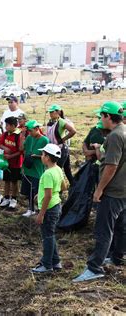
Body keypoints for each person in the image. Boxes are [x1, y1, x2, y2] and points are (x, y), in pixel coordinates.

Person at [73, 101, 125, 282]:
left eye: (101, 116)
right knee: (120, 226)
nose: (100, 120)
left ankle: (94, 267)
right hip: (123, 189)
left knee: (104, 229)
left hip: (113, 191)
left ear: (108, 116)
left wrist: (99, 189)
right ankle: (117, 257)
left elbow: (111, 166)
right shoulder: (124, 131)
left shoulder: (114, 136)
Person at [31, 144, 64, 273]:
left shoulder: (47, 174)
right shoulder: (58, 169)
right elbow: (63, 187)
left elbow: (48, 195)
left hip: (49, 209)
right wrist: (41, 193)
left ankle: (46, 264)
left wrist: (41, 214)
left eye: (43, 154)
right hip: (56, 205)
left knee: (47, 237)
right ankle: (56, 262)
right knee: (50, 235)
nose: (41, 156)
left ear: (48, 158)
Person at [20, 120, 49, 218]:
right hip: (28, 167)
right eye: (28, 131)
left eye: (31, 131)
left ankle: (37, 209)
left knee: (35, 190)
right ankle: (30, 208)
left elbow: (46, 155)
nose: (30, 133)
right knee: (28, 190)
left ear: (37, 129)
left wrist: (36, 156)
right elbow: (21, 149)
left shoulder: (44, 140)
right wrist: (22, 135)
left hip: (37, 168)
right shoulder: (29, 138)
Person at [45, 104, 76, 185]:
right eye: (50, 112)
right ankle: (73, 185)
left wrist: (63, 139)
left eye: (52, 112)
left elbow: (73, 131)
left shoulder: (61, 121)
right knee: (67, 169)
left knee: (58, 169)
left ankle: (60, 188)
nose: (50, 114)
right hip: (53, 149)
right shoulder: (50, 122)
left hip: (61, 149)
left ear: (57, 112)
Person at [0, 116, 24, 210]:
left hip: (16, 163)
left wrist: (11, 156)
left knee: (14, 181)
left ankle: (14, 198)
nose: (6, 127)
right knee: (6, 180)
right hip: (6, 163)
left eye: (8, 125)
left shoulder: (19, 135)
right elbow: (0, 144)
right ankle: (6, 197)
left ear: (13, 126)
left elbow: (20, 151)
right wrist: (5, 148)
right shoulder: (5, 134)